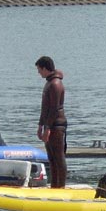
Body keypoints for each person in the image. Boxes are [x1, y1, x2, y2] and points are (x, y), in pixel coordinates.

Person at [35, 56, 67, 188]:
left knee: (58, 157)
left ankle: (61, 186)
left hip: (57, 125)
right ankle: (54, 185)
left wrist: (48, 128)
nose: (38, 73)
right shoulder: (49, 82)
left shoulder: (55, 84)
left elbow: (54, 109)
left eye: (39, 69)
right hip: (49, 124)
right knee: (51, 157)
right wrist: (40, 125)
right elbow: (45, 108)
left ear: (44, 68)